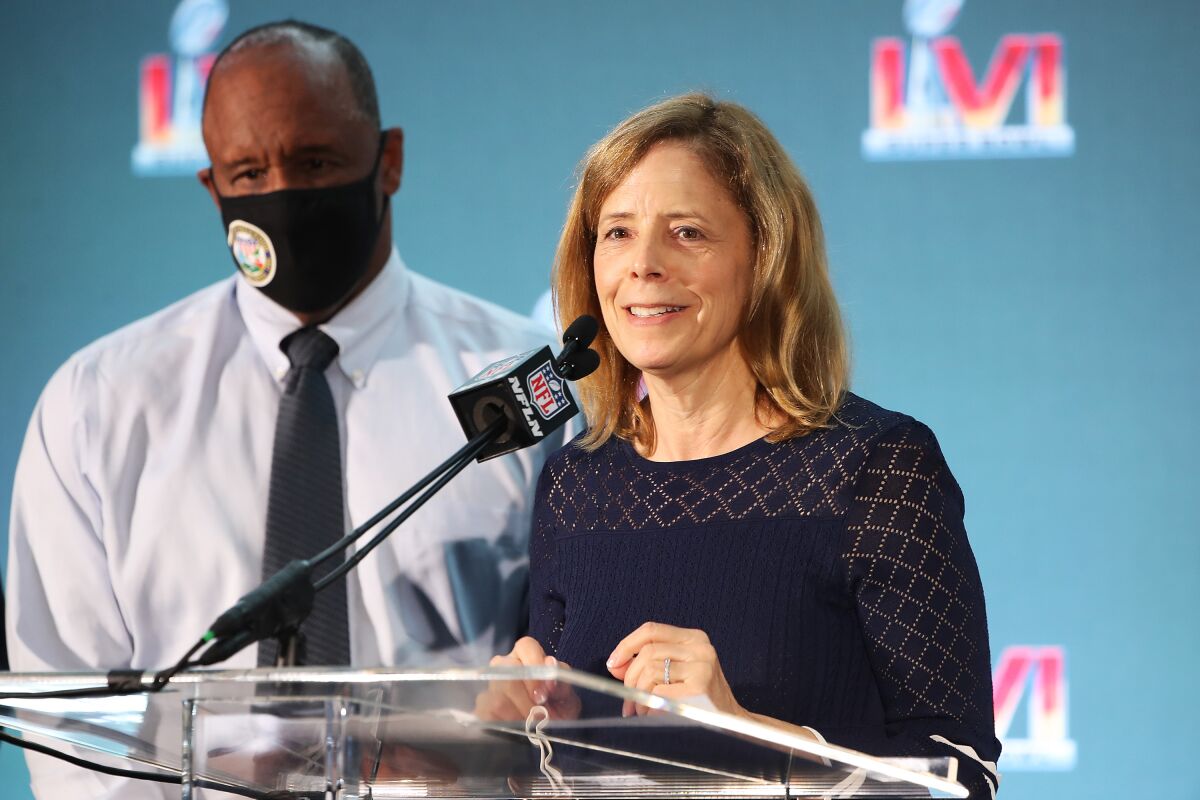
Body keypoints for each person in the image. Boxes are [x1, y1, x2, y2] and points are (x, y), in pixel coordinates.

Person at [6, 20, 562, 797]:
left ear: (388, 160)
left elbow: (573, 689)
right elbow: (68, 713)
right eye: (248, 172)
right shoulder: (96, 406)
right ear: (211, 187)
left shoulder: (525, 388)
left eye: (315, 163)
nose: (283, 197)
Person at [491, 93, 1002, 798]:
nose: (643, 265)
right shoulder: (576, 485)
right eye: (616, 233)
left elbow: (962, 778)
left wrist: (747, 735)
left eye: (688, 233)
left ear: (765, 257)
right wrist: (526, 737)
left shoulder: (877, 467)